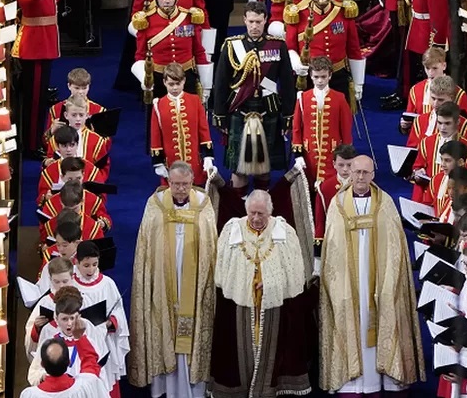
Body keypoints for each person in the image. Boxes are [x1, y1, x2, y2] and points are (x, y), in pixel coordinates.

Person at [318, 155, 423, 392]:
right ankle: (352, 383)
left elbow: (395, 247)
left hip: (379, 282)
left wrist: (389, 280)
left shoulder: (385, 203)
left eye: (366, 172)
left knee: (384, 313)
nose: (361, 177)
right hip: (349, 282)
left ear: (373, 174)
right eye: (356, 172)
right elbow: (332, 247)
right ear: (350, 173)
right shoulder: (337, 204)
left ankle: (384, 377)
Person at [210, 190, 312, 396]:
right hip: (239, 308)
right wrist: (244, 283)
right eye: (252, 213)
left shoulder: (285, 232)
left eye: (261, 214)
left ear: (270, 212)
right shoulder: (232, 230)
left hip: (274, 309)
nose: (256, 219)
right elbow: (221, 271)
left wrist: (271, 284)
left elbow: (296, 274)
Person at [128, 161, 218, 397]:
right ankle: (164, 386)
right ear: (168, 182)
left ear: (192, 182)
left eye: (185, 184)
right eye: (176, 184)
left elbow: (210, 244)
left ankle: (194, 387)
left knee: (192, 327)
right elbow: (146, 243)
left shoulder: (203, 204)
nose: (180, 189)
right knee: (164, 323)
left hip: (193, 278)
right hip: (162, 277)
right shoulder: (156, 204)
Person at [211, 2, 295, 193]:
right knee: (238, 169)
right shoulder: (232, 46)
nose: (254, 26)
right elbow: (221, 83)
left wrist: (287, 117)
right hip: (240, 108)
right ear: (244, 21)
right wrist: (220, 115)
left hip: (269, 109)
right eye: (251, 21)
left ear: (265, 20)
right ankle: (238, 210)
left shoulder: (278, 45)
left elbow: (287, 84)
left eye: (258, 21)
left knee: (264, 168)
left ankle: (261, 207)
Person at [284, 0, 364, 102]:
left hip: (338, 75)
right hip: (310, 76)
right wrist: (296, 62)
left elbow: (354, 48)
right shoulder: (297, 14)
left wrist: (358, 83)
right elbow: (290, 45)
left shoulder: (343, 12)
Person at [11, 0, 60, 154]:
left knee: (39, 98)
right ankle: (31, 144)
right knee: (34, 101)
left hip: (44, 43)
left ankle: (34, 138)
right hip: (35, 45)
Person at [130, 0, 212, 104]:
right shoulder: (146, 21)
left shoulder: (189, 17)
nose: (166, 1)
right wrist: (145, 79)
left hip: (186, 76)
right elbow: (140, 55)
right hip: (159, 78)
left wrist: (206, 85)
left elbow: (199, 51)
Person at [70, 241, 130, 396]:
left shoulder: (107, 284)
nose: (91, 269)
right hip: (79, 342)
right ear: (77, 262)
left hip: (103, 341)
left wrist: (112, 322)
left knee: (105, 383)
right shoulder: (70, 284)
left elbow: (118, 311)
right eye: (86, 265)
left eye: (95, 264)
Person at [150, 62, 215, 185]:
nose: (175, 88)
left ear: (184, 81)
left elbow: (204, 130)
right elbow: (155, 135)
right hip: (171, 163)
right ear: (164, 82)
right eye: (171, 84)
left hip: (194, 163)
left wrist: (208, 156)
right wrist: (158, 163)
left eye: (178, 84)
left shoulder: (195, 100)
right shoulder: (158, 105)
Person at [29, 287, 107, 386]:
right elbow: (34, 372)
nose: (69, 324)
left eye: (72, 318)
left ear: (79, 316)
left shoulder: (89, 341)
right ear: (56, 319)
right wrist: (44, 376)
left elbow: (99, 369)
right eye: (64, 319)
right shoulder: (51, 344)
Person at [292, 56, 352, 185]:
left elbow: (346, 128)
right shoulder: (302, 98)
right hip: (309, 154)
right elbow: (297, 127)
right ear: (311, 76)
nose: (320, 81)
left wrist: (346, 155)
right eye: (316, 77)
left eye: (323, 77)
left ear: (330, 76)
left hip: (332, 153)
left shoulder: (340, 98)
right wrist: (298, 155)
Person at [21, 337, 110, 398]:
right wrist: (79, 337)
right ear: (69, 362)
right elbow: (90, 365)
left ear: (42, 364)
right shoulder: (84, 387)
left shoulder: (29, 395)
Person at [313, 144, 357, 240]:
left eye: (349, 165)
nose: (345, 169)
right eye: (341, 165)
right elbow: (320, 219)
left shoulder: (363, 185)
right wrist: (319, 239)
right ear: (334, 164)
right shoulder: (324, 188)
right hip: (335, 237)